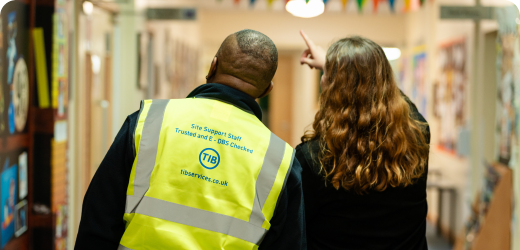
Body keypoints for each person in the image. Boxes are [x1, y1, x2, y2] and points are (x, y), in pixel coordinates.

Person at [75, 29, 306, 250]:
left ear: (213, 65)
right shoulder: (280, 160)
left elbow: (99, 218)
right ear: (267, 89)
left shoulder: (149, 121)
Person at [296, 30, 430, 250]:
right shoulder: (416, 140)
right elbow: (398, 100)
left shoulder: (311, 159)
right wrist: (370, 74)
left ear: (332, 88)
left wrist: (335, 68)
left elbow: (295, 229)